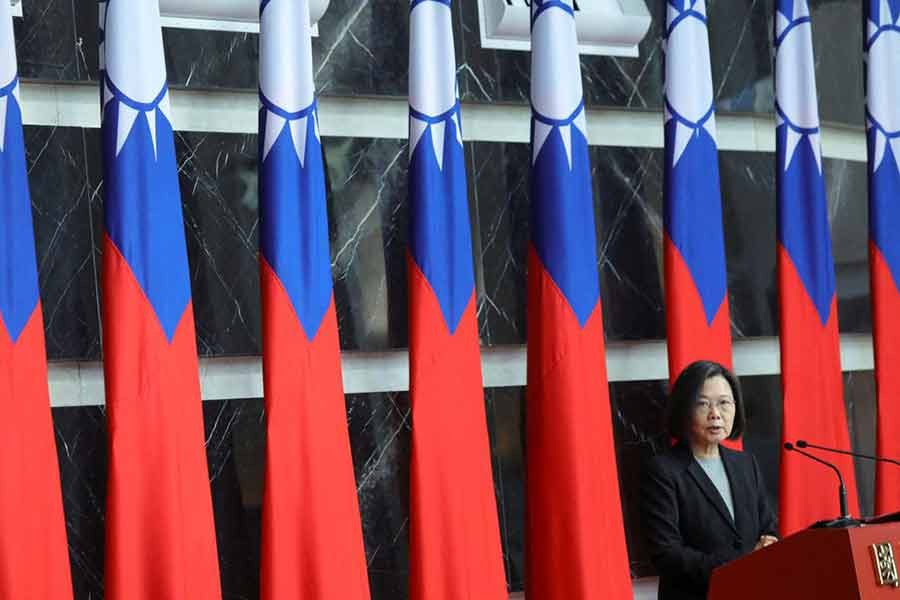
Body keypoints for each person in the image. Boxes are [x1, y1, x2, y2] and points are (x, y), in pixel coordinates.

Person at [640, 360, 778, 600]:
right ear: (684, 409)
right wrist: (740, 564)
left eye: (724, 403)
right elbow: (667, 553)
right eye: (703, 404)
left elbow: (768, 528)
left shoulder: (745, 464)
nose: (716, 414)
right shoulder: (663, 471)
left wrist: (771, 545)